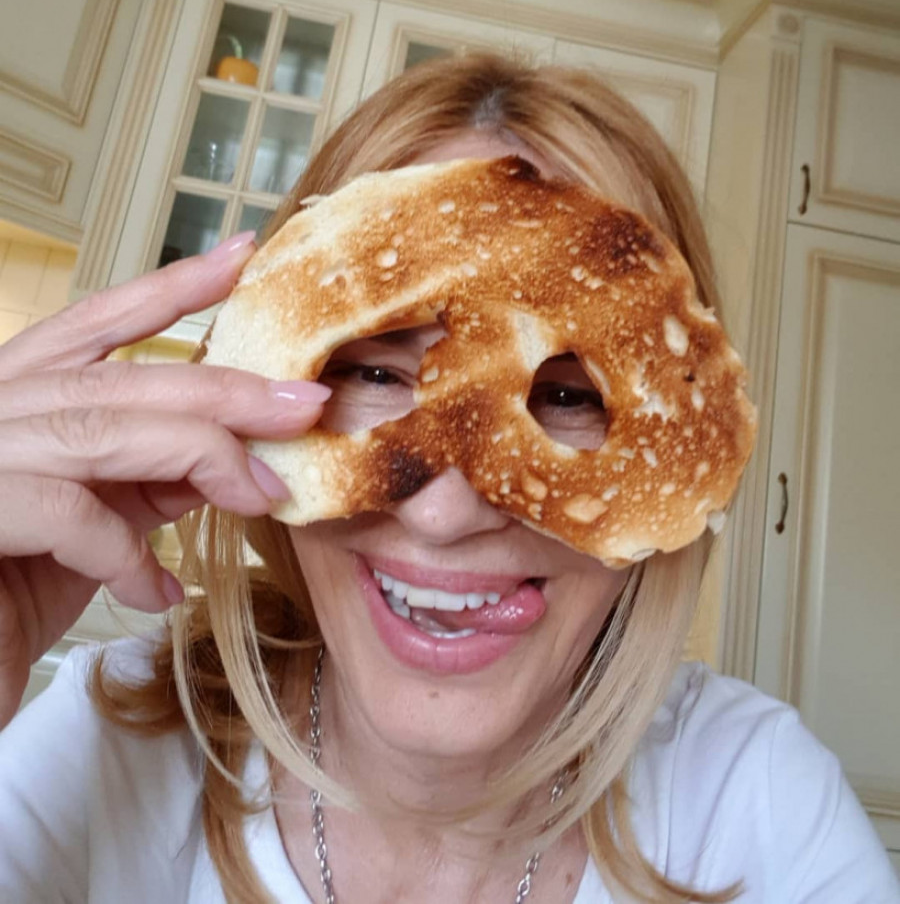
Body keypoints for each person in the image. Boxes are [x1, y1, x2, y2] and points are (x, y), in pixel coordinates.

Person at [0, 53, 896, 904]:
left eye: (569, 395)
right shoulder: (104, 744)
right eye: (375, 373)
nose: (445, 511)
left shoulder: (760, 802)